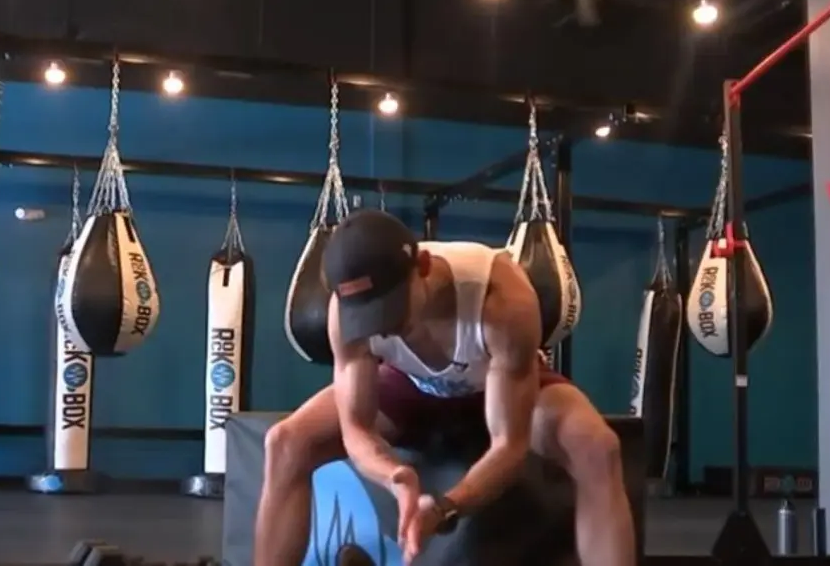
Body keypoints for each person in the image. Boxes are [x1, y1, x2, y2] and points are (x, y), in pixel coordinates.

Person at [255, 209, 634, 566]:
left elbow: (510, 444)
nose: (382, 328)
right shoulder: (346, 311)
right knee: (285, 443)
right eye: (368, 317)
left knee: (599, 450)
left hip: (493, 385)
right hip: (411, 384)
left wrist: (447, 507)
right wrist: (394, 475)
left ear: (421, 268)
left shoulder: (502, 299)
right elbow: (356, 427)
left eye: (390, 311)